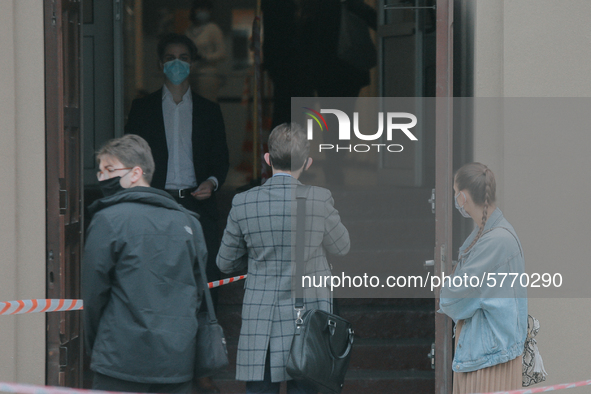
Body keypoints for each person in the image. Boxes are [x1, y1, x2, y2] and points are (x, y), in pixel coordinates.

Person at [125, 33, 229, 393]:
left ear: (193, 62)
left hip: (197, 206)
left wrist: (212, 183)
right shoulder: (142, 110)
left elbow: (221, 160)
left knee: (205, 284)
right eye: (170, 56)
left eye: (183, 56)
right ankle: (160, 366)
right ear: (159, 63)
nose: (176, 62)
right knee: (155, 285)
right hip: (157, 205)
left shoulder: (210, 110)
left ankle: (202, 367)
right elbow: (130, 160)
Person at [217, 123, 350, 394]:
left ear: (267, 159)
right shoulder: (320, 198)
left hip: (262, 320)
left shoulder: (244, 202)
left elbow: (225, 263)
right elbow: (342, 246)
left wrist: (256, 259)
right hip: (309, 319)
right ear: (308, 163)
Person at [82, 135, 208, 393]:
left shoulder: (108, 220)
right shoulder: (190, 223)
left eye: (110, 170)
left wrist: (98, 347)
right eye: (100, 171)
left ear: (136, 172)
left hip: (120, 357)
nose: (101, 177)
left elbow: (93, 294)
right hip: (177, 359)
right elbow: (197, 294)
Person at [440, 163, 528, 394]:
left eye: (454, 192)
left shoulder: (493, 242)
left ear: (463, 197)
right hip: (493, 353)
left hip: (489, 360)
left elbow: (452, 300)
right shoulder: (493, 234)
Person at [185, 0, 226, 102]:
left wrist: (205, 57)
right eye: (200, 9)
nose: (202, 12)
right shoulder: (189, 30)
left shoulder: (213, 29)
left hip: (207, 75)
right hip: (190, 74)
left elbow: (222, 53)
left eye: (205, 9)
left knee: (207, 105)